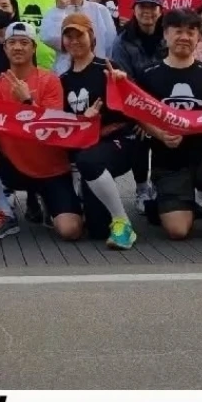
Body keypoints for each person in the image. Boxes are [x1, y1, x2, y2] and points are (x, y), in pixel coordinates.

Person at [132, 8, 202, 241]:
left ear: (198, 37)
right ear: (166, 34)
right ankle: (163, 201)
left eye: (191, 32)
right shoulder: (148, 74)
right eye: (178, 31)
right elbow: (138, 115)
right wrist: (160, 134)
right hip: (169, 160)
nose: (184, 37)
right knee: (177, 230)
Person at [0, 21, 85, 242]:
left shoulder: (50, 81)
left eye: (24, 42)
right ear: (4, 48)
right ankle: (6, 212)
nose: (17, 47)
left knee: (70, 230)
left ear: (34, 48)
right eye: (12, 42)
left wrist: (27, 101)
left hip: (51, 170)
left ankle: (49, 201)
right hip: (14, 165)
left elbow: (50, 128)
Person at [58, 14, 139, 249]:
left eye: (79, 35)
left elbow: (134, 104)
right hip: (87, 149)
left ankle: (123, 223)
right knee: (96, 229)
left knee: (88, 160)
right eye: (69, 36)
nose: (74, 41)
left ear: (91, 37)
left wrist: (123, 84)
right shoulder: (63, 80)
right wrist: (83, 120)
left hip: (119, 141)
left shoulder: (109, 68)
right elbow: (63, 124)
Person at [110, 0, 167, 212]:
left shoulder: (168, 34)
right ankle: (142, 187)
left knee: (172, 133)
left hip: (165, 102)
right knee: (139, 135)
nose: (148, 12)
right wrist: (144, 116)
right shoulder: (122, 40)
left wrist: (161, 112)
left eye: (153, 7)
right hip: (135, 104)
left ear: (160, 11)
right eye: (142, 7)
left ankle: (163, 184)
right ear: (134, 10)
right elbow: (125, 82)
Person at [40, 0, 117, 74]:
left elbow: (111, 43)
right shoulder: (54, 11)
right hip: (65, 73)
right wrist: (59, 10)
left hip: (97, 71)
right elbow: (50, 38)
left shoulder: (100, 10)